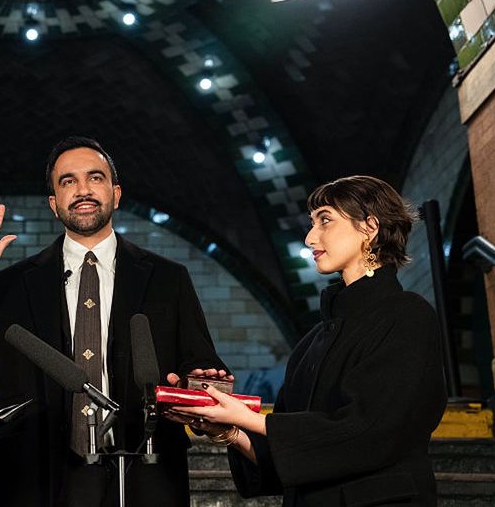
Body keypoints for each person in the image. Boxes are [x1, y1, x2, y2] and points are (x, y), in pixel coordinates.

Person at [0, 136, 229, 507]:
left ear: (116, 193)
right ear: (53, 204)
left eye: (95, 177)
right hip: (37, 480)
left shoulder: (168, 278)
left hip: (145, 473)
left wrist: (204, 382)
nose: (83, 190)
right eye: (68, 181)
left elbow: (199, 364)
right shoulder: (12, 285)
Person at [165, 175, 448, 506]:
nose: (310, 236)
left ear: (369, 227)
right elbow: (290, 461)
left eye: (325, 220)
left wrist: (249, 418)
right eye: (312, 223)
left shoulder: (407, 315)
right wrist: (229, 429)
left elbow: (369, 431)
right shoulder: (312, 342)